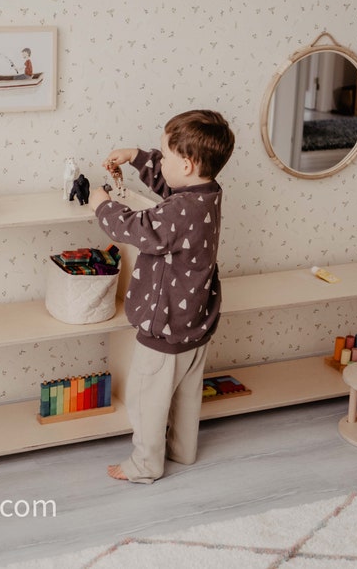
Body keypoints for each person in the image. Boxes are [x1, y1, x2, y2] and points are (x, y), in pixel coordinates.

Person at [88, 109, 235, 483]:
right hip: (195, 323)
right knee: (186, 397)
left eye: (164, 155)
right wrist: (136, 156)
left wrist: (101, 204)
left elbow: (133, 228)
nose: (161, 160)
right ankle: (183, 450)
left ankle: (145, 464)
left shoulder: (178, 212)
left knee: (147, 401)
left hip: (165, 328)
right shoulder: (207, 195)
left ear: (186, 165)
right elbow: (172, 187)